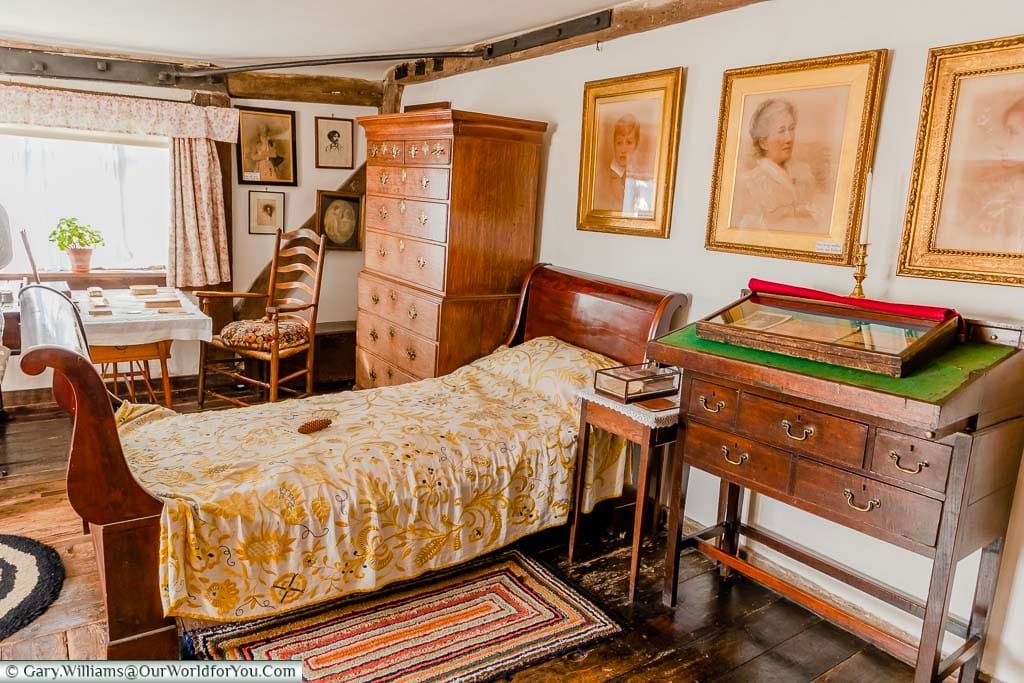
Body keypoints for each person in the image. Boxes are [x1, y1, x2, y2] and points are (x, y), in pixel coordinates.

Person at [732, 99, 824, 233]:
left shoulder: (804, 172)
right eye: (781, 131)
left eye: (791, 129)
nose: (789, 138)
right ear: (763, 142)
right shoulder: (751, 183)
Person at [593, 113, 654, 216]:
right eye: (619, 143)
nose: (623, 149)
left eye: (629, 142)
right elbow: (621, 198)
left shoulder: (639, 162)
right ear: (614, 143)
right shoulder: (615, 166)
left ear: (637, 144)